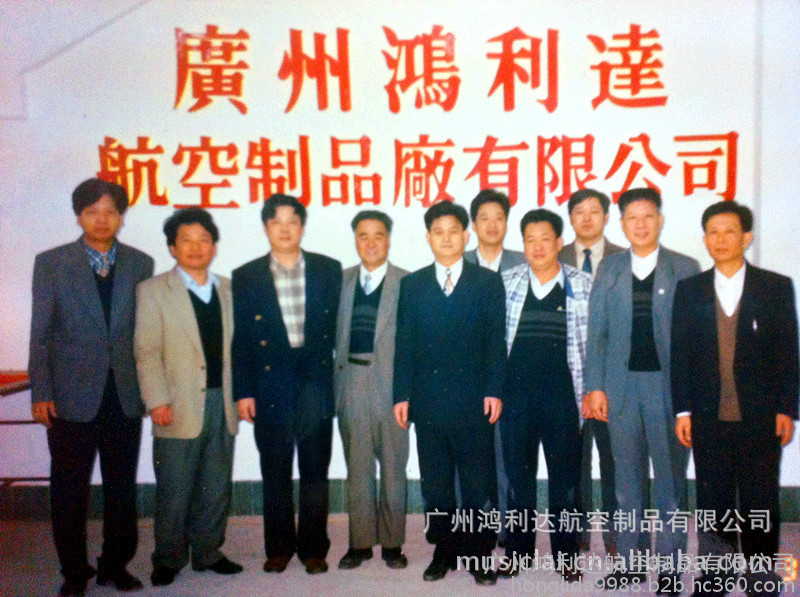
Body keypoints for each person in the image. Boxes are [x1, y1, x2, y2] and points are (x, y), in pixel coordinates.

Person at [29, 178, 153, 596]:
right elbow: (40, 334)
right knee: (69, 490)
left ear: (121, 216)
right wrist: (41, 392)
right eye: (92, 212)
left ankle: (114, 566)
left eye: (110, 212)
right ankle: (74, 572)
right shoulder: (52, 263)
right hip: (69, 396)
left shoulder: (140, 263)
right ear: (79, 216)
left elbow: (143, 333)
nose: (102, 220)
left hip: (124, 394)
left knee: (121, 487)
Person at [671, 201, 798, 596]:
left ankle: (760, 574)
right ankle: (716, 575)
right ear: (705, 239)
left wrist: (786, 409)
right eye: (713, 232)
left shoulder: (775, 287)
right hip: (707, 414)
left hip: (760, 414)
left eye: (729, 231)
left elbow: (788, 353)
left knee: (761, 497)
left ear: (746, 237)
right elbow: (680, 355)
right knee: (713, 498)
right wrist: (683, 410)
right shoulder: (689, 290)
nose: (720, 239)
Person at [583, 187, 699, 593]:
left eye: (648, 216)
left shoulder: (684, 268)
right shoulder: (610, 268)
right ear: (622, 224)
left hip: (668, 388)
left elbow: (694, 341)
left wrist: (690, 401)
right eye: (632, 218)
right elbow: (596, 333)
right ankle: (630, 564)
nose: (641, 224)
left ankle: (669, 570)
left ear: (660, 220)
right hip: (621, 389)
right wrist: (594, 387)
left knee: (670, 484)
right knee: (626, 484)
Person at [393, 201, 505, 586]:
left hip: (474, 401)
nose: (446, 238)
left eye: (453, 231)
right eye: (438, 232)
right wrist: (401, 395)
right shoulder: (412, 285)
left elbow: (495, 342)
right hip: (428, 402)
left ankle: (478, 553)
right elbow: (404, 344)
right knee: (436, 484)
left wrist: (494, 389)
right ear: (428, 238)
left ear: (465, 235)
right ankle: (443, 550)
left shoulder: (487, 282)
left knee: (476, 483)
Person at [232, 194, 341, 575]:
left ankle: (313, 549)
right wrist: (243, 391)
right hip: (270, 384)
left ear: (302, 226)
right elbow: (241, 340)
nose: (284, 229)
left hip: (314, 383)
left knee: (315, 471)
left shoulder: (328, 269)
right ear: (266, 227)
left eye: (292, 221)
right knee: (275, 471)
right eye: (276, 222)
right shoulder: (246, 276)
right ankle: (278, 548)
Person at [134, 208, 242, 587]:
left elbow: (241, 350)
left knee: (216, 485)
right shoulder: (153, 291)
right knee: (174, 488)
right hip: (176, 404)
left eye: (204, 240)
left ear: (214, 246)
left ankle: (208, 552)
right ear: (172, 248)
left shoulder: (229, 289)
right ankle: (168, 557)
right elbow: (147, 351)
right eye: (186, 240)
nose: (196, 247)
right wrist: (156, 400)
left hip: (223, 401)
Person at [497, 209, 591, 583]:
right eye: (530, 240)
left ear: (559, 243)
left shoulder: (583, 285)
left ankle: (566, 555)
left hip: (563, 397)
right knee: (518, 480)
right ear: (523, 245)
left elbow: (594, 345)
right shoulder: (506, 283)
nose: (537, 247)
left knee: (564, 481)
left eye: (545, 239)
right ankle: (517, 552)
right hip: (515, 398)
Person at [334, 210, 410, 571]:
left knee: (394, 466)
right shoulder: (341, 281)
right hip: (351, 381)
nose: (370, 243)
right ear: (355, 240)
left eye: (378, 235)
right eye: (362, 235)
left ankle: (393, 544)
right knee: (358, 466)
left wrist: (407, 393)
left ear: (388, 239)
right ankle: (360, 544)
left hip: (391, 386)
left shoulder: (407, 283)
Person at [559, 188, 624, 556]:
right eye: (579, 212)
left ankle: (616, 537)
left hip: (612, 381)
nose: (586, 218)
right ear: (570, 218)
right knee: (573, 462)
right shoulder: (553, 258)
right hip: (566, 378)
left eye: (594, 211)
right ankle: (578, 534)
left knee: (615, 461)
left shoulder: (625, 258)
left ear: (606, 217)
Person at [463, 188, 525, 547]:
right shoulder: (457, 262)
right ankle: (469, 528)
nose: (491, 224)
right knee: (468, 457)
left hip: (512, 376)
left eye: (498, 218)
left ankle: (502, 527)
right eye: (483, 218)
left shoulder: (523, 261)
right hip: (466, 377)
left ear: (506, 223)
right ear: (473, 225)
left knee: (505, 455)